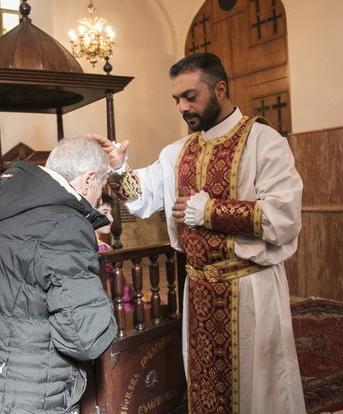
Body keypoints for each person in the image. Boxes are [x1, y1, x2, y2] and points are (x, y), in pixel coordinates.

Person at [92, 52, 306, 413]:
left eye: (191, 96)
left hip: (250, 288)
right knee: (204, 384)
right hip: (201, 290)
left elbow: (283, 217)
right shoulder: (178, 152)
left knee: (261, 387)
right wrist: (118, 168)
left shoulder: (264, 141)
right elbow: (142, 197)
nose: (182, 107)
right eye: (176, 99)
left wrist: (210, 211)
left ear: (220, 88)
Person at [0, 137, 117, 414]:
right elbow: (84, 338)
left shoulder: (4, 209)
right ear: (89, 179)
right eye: (101, 188)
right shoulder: (64, 223)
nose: (98, 199)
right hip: (29, 394)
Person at [95, 193, 136, 311]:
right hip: (117, 304)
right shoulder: (102, 248)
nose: (111, 219)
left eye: (111, 213)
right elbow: (110, 287)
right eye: (104, 213)